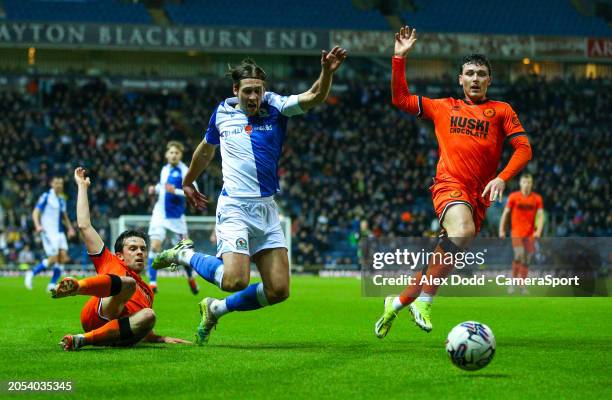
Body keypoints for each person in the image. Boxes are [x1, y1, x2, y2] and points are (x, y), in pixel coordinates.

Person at [153, 47, 347, 344]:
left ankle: (215, 309)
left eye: (258, 91)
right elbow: (205, 151)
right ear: (236, 89)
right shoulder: (221, 112)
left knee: (279, 290)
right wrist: (189, 181)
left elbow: (313, 97)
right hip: (234, 207)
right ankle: (185, 254)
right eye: (248, 91)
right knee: (235, 279)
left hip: (266, 209)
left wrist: (327, 73)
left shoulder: (276, 106)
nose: (254, 97)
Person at [374, 26, 532, 337]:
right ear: (460, 79)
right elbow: (401, 98)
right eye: (469, 73)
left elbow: (524, 149)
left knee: (445, 255)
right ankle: (426, 301)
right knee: (462, 231)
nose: (475, 79)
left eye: (481, 74)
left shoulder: (501, 111)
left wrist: (502, 177)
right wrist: (399, 58)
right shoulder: (443, 107)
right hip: (449, 185)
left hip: (479, 196)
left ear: (490, 80)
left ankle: (397, 302)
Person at [51, 167, 189, 351]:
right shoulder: (108, 260)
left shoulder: (148, 292)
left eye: (143, 249)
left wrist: (159, 338)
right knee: (128, 284)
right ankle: (76, 288)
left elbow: (137, 323)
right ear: (120, 255)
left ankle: (81, 340)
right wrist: (82, 187)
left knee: (149, 315)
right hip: (97, 315)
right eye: (133, 248)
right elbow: (84, 226)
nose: (140, 252)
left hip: (116, 334)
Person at [146, 141, 198, 295]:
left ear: (181, 155)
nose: (173, 155)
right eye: (171, 152)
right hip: (160, 214)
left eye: (177, 153)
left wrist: (175, 191)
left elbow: (194, 193)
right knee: (155, 246)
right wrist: (154, 189)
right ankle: (153, 283)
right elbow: (162, 188)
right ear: (166, 154)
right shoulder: (164, 170)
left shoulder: (186, 171)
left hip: (177, 218)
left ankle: (190, 278)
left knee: (185, 253)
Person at [25, 176, 75, 291]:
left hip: (59, 232)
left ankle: (51, 284)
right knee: (53, 258)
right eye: (57, 183)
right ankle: (31, 273)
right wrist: (37, 225)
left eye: (61, 183)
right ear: (52, 184)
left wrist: (70, 228)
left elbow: (64, 216)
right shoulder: (46, 196)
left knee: (62, 257)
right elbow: (35, 212)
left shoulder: (62, 200)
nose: (59, 185)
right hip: (48, 232)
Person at [499, 173, 544, 294]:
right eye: (524, 182)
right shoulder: (513, 197)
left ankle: (522, 286)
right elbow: (505, 214)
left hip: (530, 234)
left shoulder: (537, 198)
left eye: (529, 182)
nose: (526, 185)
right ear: (520, 183)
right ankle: (513, 283)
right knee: (519, 255)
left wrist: (538, 231)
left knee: (527, 260)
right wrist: (501, 229)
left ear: (532, 184)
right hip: (517, 232)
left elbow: (540, 216)